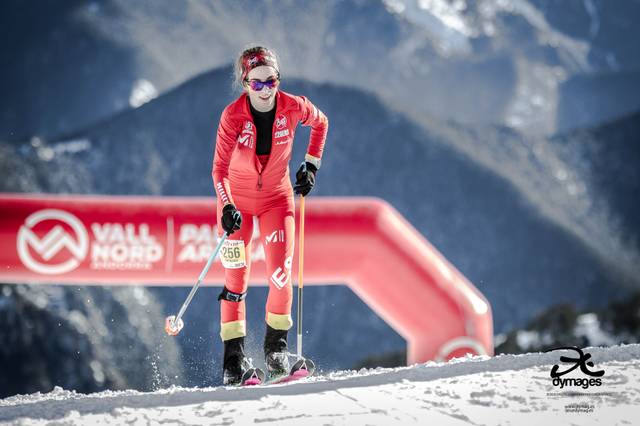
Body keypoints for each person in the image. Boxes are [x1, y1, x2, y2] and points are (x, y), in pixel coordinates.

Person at [211, 46, 328, 385]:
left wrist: (311, 165)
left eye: (271, 81)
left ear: (278, 80)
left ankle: (276, 352)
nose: (265, 90)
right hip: (236, 205)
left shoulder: (293, 106)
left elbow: (321, 123)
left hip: (277, 200)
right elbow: (219, 170)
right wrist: (228, 205)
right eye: (257, 83)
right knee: (237, 281)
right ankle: (234, 362)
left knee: (281, 273)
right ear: (245, 83)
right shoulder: (232, 116)